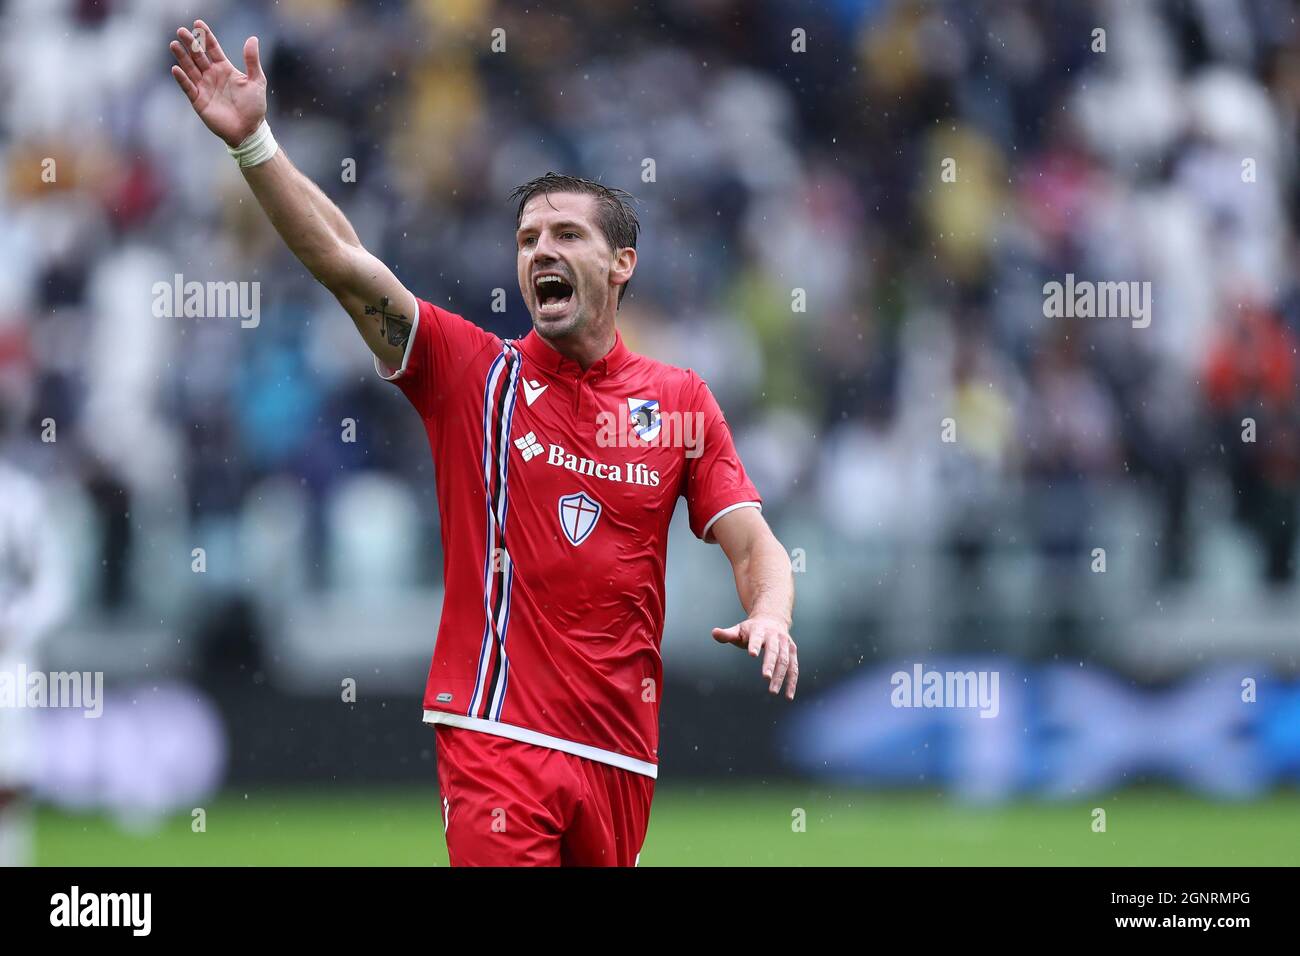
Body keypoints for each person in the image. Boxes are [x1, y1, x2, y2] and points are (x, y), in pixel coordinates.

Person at [169, 19, 797, 866]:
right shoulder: (473, 374)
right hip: (495, 736)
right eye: (528, 239)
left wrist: (770, 614)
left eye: (566, 236)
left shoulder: (679, 402)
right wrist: (254, 146)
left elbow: (754, 542)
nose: (541, 249)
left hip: (621, 757)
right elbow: (348, 264)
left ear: (622, 264)